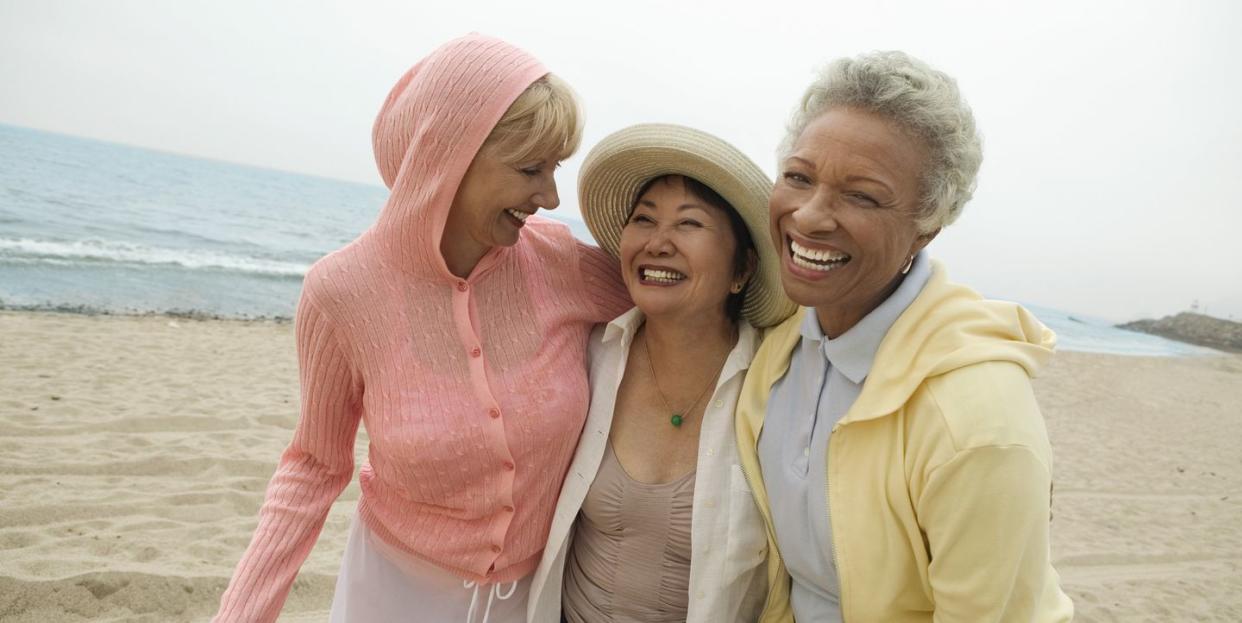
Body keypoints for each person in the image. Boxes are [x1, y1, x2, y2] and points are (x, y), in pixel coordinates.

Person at [213, 34, 631, 623]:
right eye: (530, 169)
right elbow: (313, 465)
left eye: (554, 168)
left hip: (531, 600)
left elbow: (675, 301)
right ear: (447, 157)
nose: (550, 195)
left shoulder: (559, 263)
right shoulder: (341, 291)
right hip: (391, 593)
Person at [735, 51, 1075, 622]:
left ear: (926, 227)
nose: (811, 216)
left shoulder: (977, 420)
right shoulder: (785, 339)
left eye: (861, 195)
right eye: (798, 177)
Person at [525, 124, 797, 623]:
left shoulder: (776, 388)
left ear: (742, 269)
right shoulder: (590, 356)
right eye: (644, 219)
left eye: (689, 225)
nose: (658, 242)